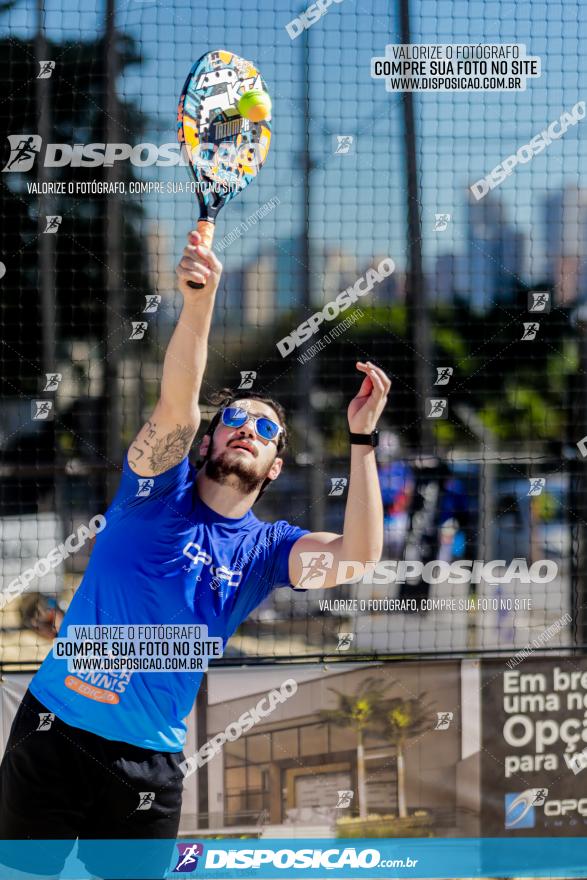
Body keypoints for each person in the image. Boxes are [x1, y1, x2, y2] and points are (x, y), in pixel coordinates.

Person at [0, 230, 390, 871]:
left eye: (266, 428)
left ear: (273, 467)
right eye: (235, 419)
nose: (247, 429)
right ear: (207, 445)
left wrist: (362, 440)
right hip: (54, 733)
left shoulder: (268, 549)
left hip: (148, 767)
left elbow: (359, 558)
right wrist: (201, 300)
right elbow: (179, 403)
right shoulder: (155, 487)